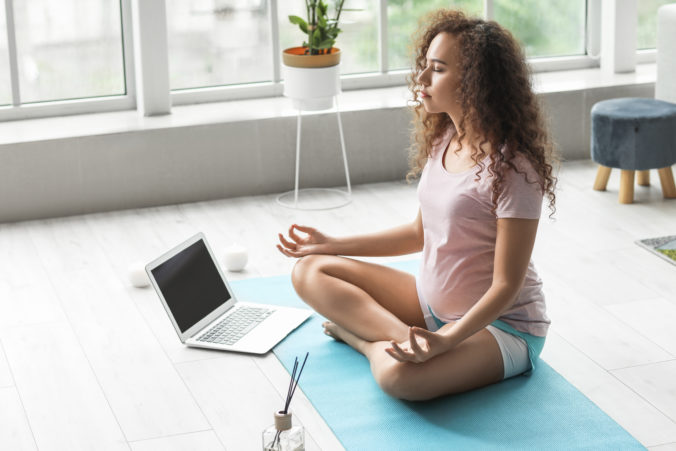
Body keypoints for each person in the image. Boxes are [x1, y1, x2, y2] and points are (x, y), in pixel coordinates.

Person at [276, 9, 557, 402]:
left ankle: (363, 340)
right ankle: (405, 342)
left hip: (502, 328)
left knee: (398, 379)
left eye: (437, 70)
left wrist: (446, 340)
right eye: (425, 66)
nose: (422, 79)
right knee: (309, 269)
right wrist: (331, 243)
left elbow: (506, 287)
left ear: (476, 82)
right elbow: (417, 234)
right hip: (430, 305)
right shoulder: (446, 140)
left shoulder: (514, 169)